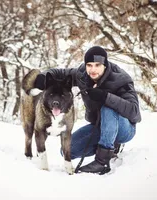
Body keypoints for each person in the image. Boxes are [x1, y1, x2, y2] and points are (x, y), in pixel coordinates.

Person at [33, 46, 141, 175]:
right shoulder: (82, 75)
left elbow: (135, 114)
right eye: (89, 65)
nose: (92, 69)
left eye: (97, 65)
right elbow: (59, 73)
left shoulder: (120, 79)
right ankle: (113, 147)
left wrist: (105, 96)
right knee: (67, 150)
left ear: (105, 65)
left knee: (108, 107)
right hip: (100, 126)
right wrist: (42, 76)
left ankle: (102, 161)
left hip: (125, 129)